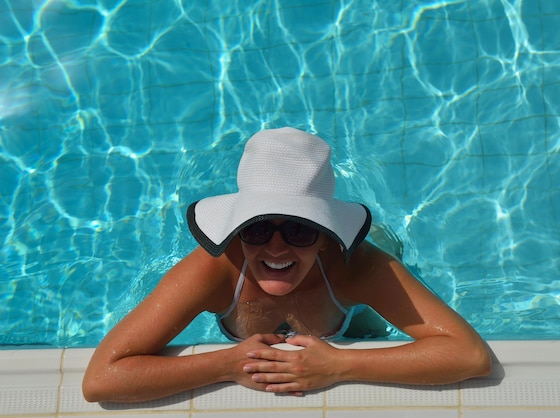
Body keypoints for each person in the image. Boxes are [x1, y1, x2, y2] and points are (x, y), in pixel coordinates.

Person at [82, 127, 491, 403]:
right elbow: (102, 378)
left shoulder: (359, 268)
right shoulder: (214, 270)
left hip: (349, 310)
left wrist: (340, 364)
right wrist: (227, 364)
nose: (276, 248)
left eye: (299, 230)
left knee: (372, 324)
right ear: (237, 229)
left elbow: (469, 355)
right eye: (257, 229)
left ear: (327, 234)